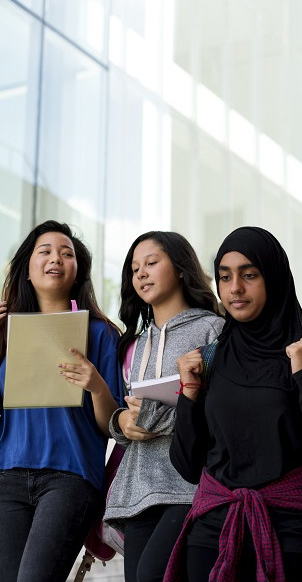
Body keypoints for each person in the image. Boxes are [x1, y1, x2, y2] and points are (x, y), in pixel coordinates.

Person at [165, 226, 302, 582]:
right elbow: (188, 466)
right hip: (213, 531)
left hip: (295, 533)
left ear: (273, 278)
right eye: (225, 277)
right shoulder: (210, 359)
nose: (235, 288)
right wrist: (189, 395)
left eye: (249, 275)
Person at [0, 220, 124, 582]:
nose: (57, 258)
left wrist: (97, 386)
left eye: (67, 254)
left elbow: (111, 424)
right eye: (46, 251)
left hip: (70, 479)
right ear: (28, 269)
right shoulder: (9, 330)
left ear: (77, 271)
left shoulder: (99, 332)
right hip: (7, 479)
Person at [104, 231, 224, 582]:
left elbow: (218, 409)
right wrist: (122, 421)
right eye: (134, 268)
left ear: (182, 269)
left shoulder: (213, 329)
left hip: (188, 485)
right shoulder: (138, 343)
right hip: (140, 488)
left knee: (151, 575)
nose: (140, 273)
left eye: (151, 263)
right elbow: (129, 420)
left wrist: (153, 416)